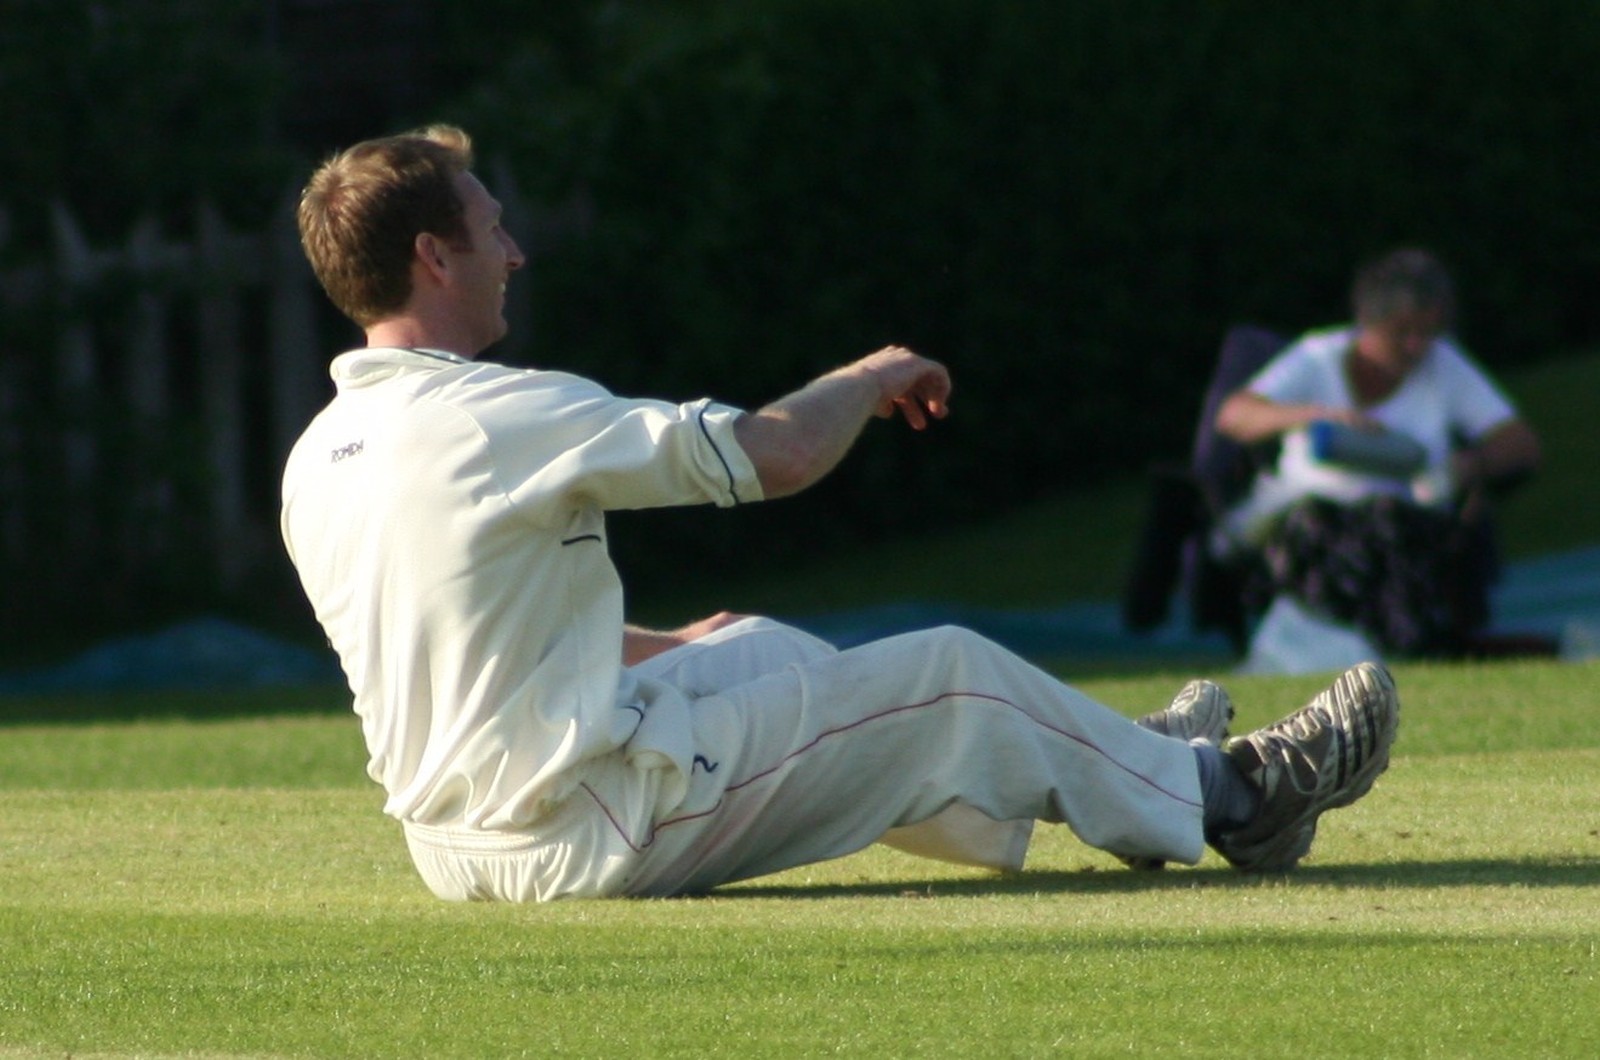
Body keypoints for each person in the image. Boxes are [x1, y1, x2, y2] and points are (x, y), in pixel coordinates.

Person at [280, 125, 1399, 902]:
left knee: (754, 642)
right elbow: (774, 456)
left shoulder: (317, 455)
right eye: (491, 226)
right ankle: (1239, 795)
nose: (514, 249)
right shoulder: (497, 416)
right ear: (434, 255)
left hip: (454, 843)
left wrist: (672, 646)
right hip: (575, 828)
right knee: (947, 673)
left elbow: (449, 642)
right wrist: (868, 375)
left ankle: (1106, 758)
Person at [1212, 248, 1542, 669]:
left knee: (1389, 526)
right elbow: (1235, 415)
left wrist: (1466, 465)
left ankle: (1391, 656)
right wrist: (1315, 414)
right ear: (1368, 323)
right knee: (1333, 535)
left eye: (1427, 333)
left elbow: (1519, 444)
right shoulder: (1318, 357)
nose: (1415, 347)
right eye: (1401, 333)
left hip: (1404, 519)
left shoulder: (1445, 365)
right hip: (1310, 514)